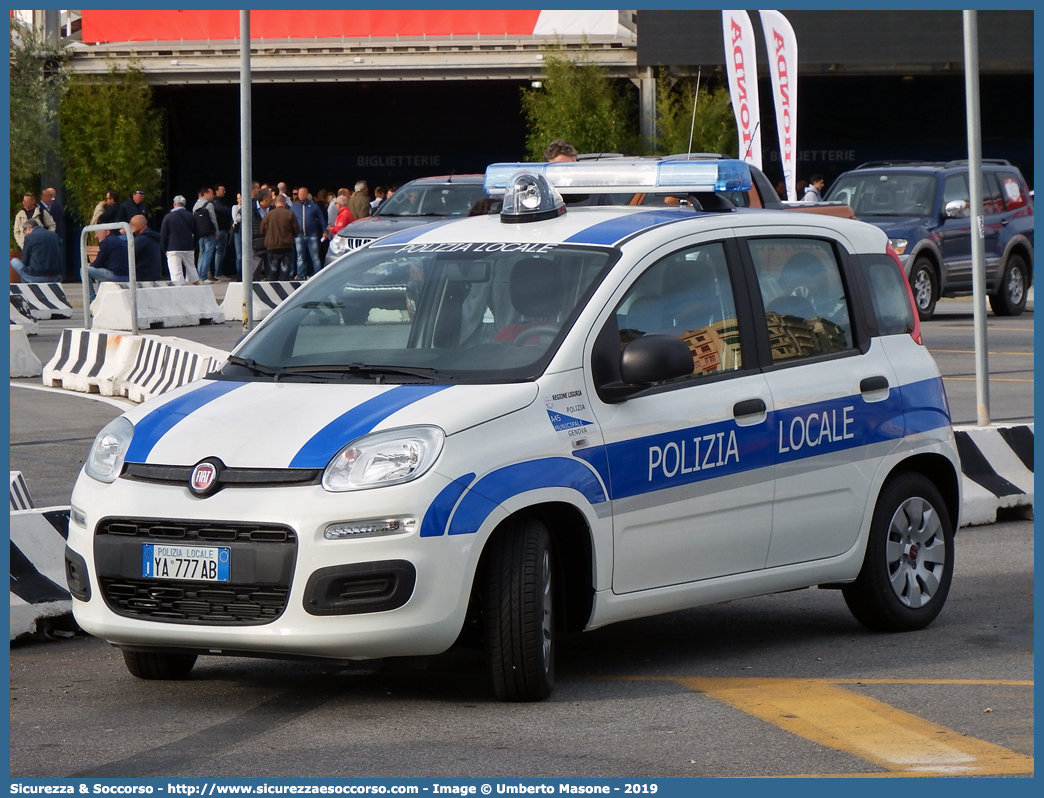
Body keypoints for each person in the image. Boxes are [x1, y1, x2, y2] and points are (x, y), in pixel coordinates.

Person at [159, 195, 200, 284]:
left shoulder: (168, 217)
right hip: (188, 247)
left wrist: (164, 249)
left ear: (174, 204)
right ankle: (196, 287)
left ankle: (180, 289)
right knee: (191, 268)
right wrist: (193, 246)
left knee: (176, 272)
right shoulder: (191, 216)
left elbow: (164, 235)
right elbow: (197, 233)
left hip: (173, 247)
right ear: (184, 205)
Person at [259, 194, 300, 281]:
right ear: (285, 203)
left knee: (272, 272)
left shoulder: (268, 215)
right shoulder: (290, 214)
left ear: (274, 203)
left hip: (271, 247)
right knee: (285, 272)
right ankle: (284, 293)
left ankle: (271, 292)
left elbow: (261, 231)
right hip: (287, 247)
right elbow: (296, 231)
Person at [291, 185, 328, 280]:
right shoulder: (294, 207)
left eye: (303, 193)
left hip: (312, 235)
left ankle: (318, 276)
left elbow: (321, 219)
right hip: (298, 235)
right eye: (300, 194)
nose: (301, 195)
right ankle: (300, 276)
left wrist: (324, 231)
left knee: (315, 257)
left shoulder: (314, 206)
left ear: (307, 194)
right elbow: (290, 221)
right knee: (300, 258)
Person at [86, 228, 130, 299]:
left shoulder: (106, 242)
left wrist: (90, 265)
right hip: (126, 275)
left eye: (98, 233)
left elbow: (98, 263)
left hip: (116, 274)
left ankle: (91, 298)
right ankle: (100, 297)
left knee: (84, 270)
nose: (96, 236)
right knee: (101, 272)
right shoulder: (119, 240)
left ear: (107, 232)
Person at [192, 187, 219, 283]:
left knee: (202, 254)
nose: (213, 195)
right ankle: (203, 277)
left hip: (200, 233)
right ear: (205, 194)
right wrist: (217, 232)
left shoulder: (196, 205)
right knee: (208, 254)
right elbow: (213, 219)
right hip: (209, 233)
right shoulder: (209, 205)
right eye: (211, 193)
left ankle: (199, 276)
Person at [129, 214, 163, 281]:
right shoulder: (154, 238)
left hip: (141, 276)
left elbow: (129, 257)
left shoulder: (140, 240)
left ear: (142, 224)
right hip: (154, 275)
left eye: (132, 223)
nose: (130, 225)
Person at [251, 188, 273, 280]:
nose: (272, 199)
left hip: (270, 243)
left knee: (271, 272)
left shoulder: (273, 209)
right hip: (255, 244)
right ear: (265, 198)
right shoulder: (250, 209)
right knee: (254, 271)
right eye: (271, 197)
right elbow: (244, 228)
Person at [212, 183, 233, 279]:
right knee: (219, 252)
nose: (224, 192)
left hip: (223, 230)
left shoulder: (220, 201)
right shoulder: (216, 201)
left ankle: (218, 272)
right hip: (220, 230)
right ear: (216, 191)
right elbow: (223, 210)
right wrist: (229, 210)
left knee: (220, 252)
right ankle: (218, 273)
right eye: (222, 190)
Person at [231, 192, 244, 281]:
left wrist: (241, 216)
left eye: (240, 198)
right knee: (239, 255)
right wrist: (241, 216)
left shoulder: (247, 207)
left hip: (246, 231)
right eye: (238, 198)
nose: (239, 200)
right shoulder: (235, 207)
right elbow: (235, 218)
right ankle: (239, 273)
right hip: (237, 232)